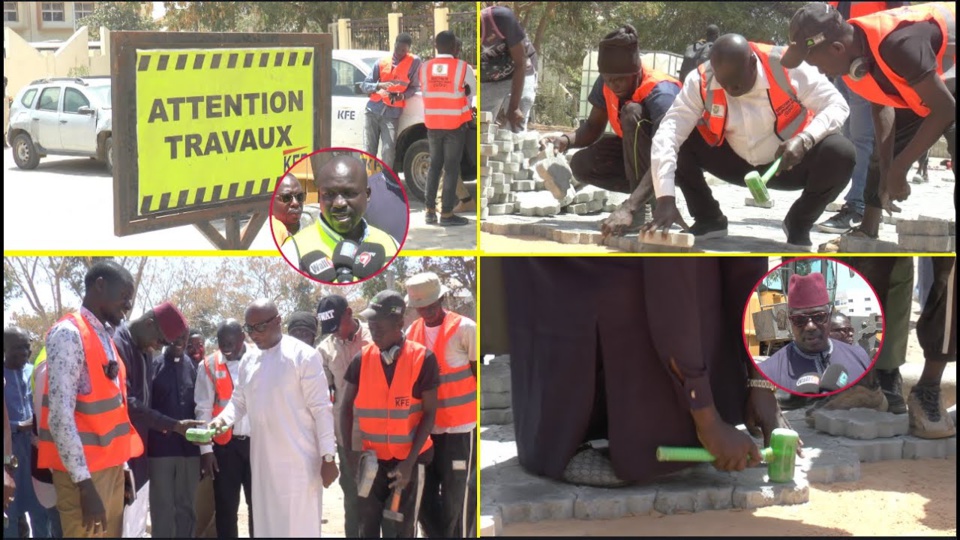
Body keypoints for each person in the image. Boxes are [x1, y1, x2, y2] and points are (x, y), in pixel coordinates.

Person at [498, 258, 794, 484]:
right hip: (579, 274)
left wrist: (764, 382)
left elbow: (762, 276)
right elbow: (672, 296)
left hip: (677, 268)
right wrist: (707, 417)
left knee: (712, 271)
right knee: (628, 292)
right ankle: (569, 440)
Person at [645, 33, 853, 250]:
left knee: (841, 153)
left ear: (753, 62)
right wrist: (665, 198)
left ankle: (798, 222)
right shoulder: (700, 80)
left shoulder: (787, 65)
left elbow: (837, 105)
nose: (731, 91)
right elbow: (668, 133)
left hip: (787, 163)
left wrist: (804, 140)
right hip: (734, 164)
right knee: (676, 137)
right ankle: (708, 218)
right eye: (724, 84)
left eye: (737, 83)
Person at [779, 2, 955, 240]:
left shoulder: (899, 44)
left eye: (817, 64)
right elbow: (882, 107)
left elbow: (945, 109)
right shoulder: (854, 56)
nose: (821, 72)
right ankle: (868, 229)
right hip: (930, 80)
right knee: (882, 152)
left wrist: (899, 169)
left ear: (837, 49)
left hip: (943, 82)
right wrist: (887, 169)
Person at [208, 300, 338, 537]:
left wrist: (328, 457)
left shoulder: (303, 356)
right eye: (249, 328)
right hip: (262, 465)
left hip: (299, 466)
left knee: (298, 529)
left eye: (260, 327)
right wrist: (221, 421)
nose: (254, 334)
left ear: (278, 321)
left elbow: (322, 410)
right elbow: (239, 402)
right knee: (266, 527)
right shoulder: (249, 360)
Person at [540, 25, 682, 237]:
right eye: (608, 79)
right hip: (642, 159)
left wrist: (629, 207)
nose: (614, 85)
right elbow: (593, 127)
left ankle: (646, 206)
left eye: (619, 79)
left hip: (676, 162)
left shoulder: (661, 92)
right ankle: (645, 200)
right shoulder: (606, 82)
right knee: (583, 164)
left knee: (632, 112)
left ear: (636, 72)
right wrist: (565, 140)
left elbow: (667, 153)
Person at [38, 261, 144, 538]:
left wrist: (122, 468)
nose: (128, 304)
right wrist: (85, 485)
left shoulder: (104, 336)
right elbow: (60, 416)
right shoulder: (69, 334)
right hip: (84, 477)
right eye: (124, 295)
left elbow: (113, 410)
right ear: (100, 285)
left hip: (111, 470)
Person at [340, 291, 439, 538]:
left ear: (399, 323)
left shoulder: (423, 359)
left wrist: (409, 463)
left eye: (379, 328)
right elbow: (345, 407)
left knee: (404, 528)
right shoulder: (362, 359)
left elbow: (429, 413)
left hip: (409, 459)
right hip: (372, 460)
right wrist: (350, 454)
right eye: (371, 327)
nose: (373, 334)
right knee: (367, 526)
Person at [817, 1, 908, 234]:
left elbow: (902, 15)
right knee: (850, 136)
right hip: (843, 61)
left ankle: (858, 206)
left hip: (867, 61)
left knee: (862, 138)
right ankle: (856, 200)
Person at [112, 300, 199, 538]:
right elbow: (128, 403)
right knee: (124, 521)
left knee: (137, 522)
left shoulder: (146, 350)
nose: (159, 346)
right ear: (150, 324)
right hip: (121, 451)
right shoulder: (117, 344)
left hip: (141, 451)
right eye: (161, 341)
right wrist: (173, 425)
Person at [404, 273, 477, 538]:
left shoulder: (465, 329)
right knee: (424, 496)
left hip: (459, 429)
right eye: (420, 307)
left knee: (457, 496)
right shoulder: (411, 333)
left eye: (430, 306)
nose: (426, 312)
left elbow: (477, 371)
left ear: (442, 299)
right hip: (426, 431)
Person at [282, 155, 400, 275]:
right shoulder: (292, 251)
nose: (339, 203)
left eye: (349, 193)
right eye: (329, 194)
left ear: (367, 194)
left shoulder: (391, 244)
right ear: (320, 196)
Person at [758, 273, 872, 393]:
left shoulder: (859, 357)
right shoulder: (768, 372)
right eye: (800, 319)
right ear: (790, 321)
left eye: (819, 317)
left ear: (829, 316)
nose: (810, 327)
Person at [316, 295, 371, 538]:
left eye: (337, 326)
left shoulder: (375, 336)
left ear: (349, 313)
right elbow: (324, 398)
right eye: (329, 329)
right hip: (347, 438)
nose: (335, 334)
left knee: (381, 500)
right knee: (353, 499)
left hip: (381, 435)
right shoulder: (324, 350)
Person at [195, 320, 255, 538]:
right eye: (222, 344)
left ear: (242, 338)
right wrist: (206, 451)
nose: (226, 349)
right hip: (225, 448)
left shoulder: (260, 357)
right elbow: (203, 409)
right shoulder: (209, 365)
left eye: (231, 343)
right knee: (226, 509)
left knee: (259, 507)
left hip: (257, 445)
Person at [148, 334, 201, 538]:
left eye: (183, 336)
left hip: (190, 451)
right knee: (162, 507)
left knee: (187, 506)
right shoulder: (154, 366)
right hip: (160, 450)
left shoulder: (194, 368)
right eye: (175, 336)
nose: (179, 341)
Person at [421, 30, 475, 228]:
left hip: (432, 123)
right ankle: (446, 214)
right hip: (454, 125)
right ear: (454, 46)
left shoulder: (424, 67)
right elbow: (472, 92)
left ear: (436, 46)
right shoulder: (462, 67)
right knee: (451, 169)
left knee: (434, 166)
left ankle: (429, 212)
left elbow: (426, 90)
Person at [4, 327, 51, 538]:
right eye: (17, 347)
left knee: (41, 509)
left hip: (35, 453)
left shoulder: (34, 372)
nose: (25, 352)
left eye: (26, 346)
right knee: (10, 511)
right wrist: (17, 425)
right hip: (9, 454)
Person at [361, 33, 422, 169]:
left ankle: (386, 178)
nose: (400, 53)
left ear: (408, 50)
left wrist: (402, 96)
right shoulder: (382, 62)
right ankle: (368, 178)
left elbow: (414, 87)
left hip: (391, 114)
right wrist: (378, 85)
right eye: (398, 49)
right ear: (394, 45)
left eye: (404, 50)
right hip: (372, 110)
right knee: (369, 149)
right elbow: (365, 85)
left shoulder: (414, 62)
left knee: (388, 150)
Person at [480, 5, 538, 131]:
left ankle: (517, 138)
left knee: (514, 128)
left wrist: (514, 107)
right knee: (482, 129)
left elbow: (520, 62)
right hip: (489, 79)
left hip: (520, 71)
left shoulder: (501, 18)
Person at [271, 174, 312, 247]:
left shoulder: (314, 224)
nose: (295, 203)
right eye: (286, 197)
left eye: (300, 196)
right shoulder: (261, 235)